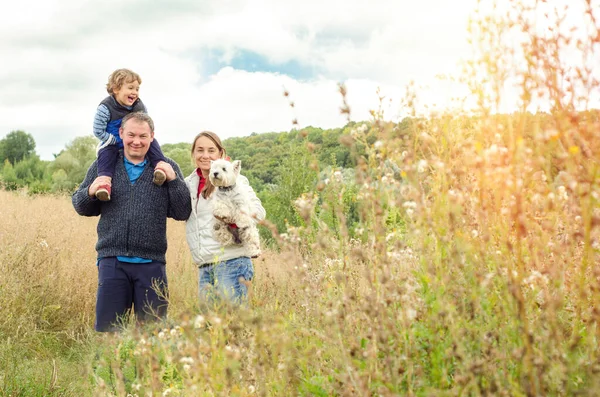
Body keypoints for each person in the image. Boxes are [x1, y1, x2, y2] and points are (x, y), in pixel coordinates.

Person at [72, 112, 192, 332]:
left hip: (152, 264)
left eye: (143, 136)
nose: (136, 141)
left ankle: (146, 368)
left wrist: (174, 181)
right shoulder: (104, 165)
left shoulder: (166, 167)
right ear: (120, 133)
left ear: (152, 137)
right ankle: (111, 368)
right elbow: (81, 207)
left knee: (152, 335)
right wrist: (89, 191)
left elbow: (182, 212)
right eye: (131, 135)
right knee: (109, 333)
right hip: (112, 262)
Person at [185, 131, 266, 305]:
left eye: (211, 150)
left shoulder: (236, 181)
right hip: (205, 265)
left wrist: (233, 217)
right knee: (210, 327)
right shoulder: (189, 184)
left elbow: (259, 212)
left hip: (232, 262)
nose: (205, 155)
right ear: (193, 154)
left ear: (220, 154)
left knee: (234, 325)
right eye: (200, 150)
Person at [92, 68, 169, 201]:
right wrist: (112, 140)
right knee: (106, 155)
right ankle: (104, 184)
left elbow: (146, 126)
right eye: (130, 88)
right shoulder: (105, 107)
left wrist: (144, 137)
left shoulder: (139, 106)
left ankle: (160, 168)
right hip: (113, 141)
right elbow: (98, 130)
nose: (134, 92)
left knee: (152, 142)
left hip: (135, 140)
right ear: (116, 89)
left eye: (137, 89)